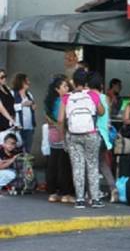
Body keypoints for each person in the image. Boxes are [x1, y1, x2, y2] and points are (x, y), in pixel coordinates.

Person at [58, 68, 105, 209]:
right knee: (92, 165)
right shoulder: (92, 95)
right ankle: (95, 199)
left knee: (77, 167)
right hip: (90, 134)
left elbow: (60, 119)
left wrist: (63, 138)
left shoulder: (66, 97)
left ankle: (79, 200)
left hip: (73, 135)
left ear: (74, 81)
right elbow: (102, 112)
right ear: (87, 81)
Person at [43, 75, 75, 203]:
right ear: (57, 89)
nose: (67, 88)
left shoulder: (50, 101)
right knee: (64, 165)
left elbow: (47, 117)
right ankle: (65, 192)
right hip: (61, 133)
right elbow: (61, 120)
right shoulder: (62, 101)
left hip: (52, 134)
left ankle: (52, 192)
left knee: (53, 163)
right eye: (64, 86)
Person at [88, 73, 118, 203]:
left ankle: (91, 193)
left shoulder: (88, 97)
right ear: (101, 85)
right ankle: (113, 188)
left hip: (93, 134)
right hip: (105, 136)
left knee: (90, 164)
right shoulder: (106, 98)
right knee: (102, 163)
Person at [11, 73, 36, 153]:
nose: (29, 82)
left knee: (27, 150)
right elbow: (8, 108)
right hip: (17, 127)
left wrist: (33, 107)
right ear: (21, 82)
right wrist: (22, 104)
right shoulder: (12, 93)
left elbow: (33, 105)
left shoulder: (29, 94)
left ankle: (26, 165)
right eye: (27, 81)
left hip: (29, 127)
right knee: (16, 149)